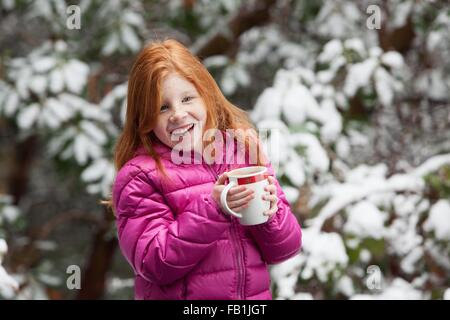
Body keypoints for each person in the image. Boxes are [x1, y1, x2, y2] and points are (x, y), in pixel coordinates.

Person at [112, 39, 302, 300]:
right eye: (162, 107)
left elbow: (285, 250)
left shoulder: (243, 151)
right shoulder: (140, 176)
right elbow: (153, 263)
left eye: (187, 98)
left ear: (206, 96)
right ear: (144, 118)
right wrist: (215, 208)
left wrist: (272, 214)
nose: (178, 114)